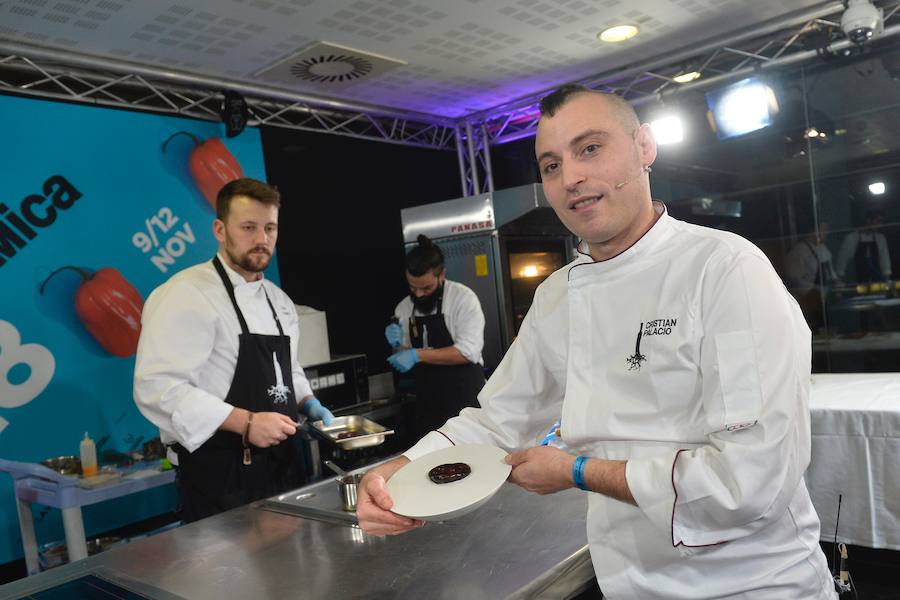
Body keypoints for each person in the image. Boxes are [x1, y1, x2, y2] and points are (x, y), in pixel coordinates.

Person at [358, 85, 837, 599]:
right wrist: (401, 471)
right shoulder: (558, 296)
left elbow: (749, 480)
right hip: (629, 583)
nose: (572, 179)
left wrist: (579, 471)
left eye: (590, 149)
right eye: (551, 165)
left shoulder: (724, 269)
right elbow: (498, 419)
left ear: (645, 147)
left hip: (752, 583)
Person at [134, 177, 334, 523]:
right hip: (221, 478)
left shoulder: (279, 301)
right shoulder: (185, 294)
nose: (261, 239)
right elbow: (157, 388)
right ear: (219, 229)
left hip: (284, 466)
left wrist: (308, 402)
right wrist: (247, 422)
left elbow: (286, 370)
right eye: (248, 227)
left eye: (270, 228)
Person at [385, 234, 486, 439]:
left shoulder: (463, 299)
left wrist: (417, 355)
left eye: (426, 288)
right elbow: (403, 355)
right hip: (428, 401)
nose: (419, 294)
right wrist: (397, 346)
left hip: (465, 399)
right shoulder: (404, 307)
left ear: (442, 275)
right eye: (413, 288)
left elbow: (468, 352)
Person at [784, 223, 841, 331]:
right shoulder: (799, 251)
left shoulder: (823, 248)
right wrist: (813, 291)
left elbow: (830, 270)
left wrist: (836, 282)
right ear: (813, 231)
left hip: (825, 298)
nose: (826, 233)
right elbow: (793, 279)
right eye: (823, 230)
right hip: (809, 302)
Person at [835, 209, 892, 284]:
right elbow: (842, 261)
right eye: (878, 221)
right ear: (868, 220)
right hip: (859, 282)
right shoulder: (852, 238)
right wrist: (838, 280)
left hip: (878, 282)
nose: (880, 225)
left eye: (882, 222)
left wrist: (887, 278)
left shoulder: (880, 238)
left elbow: (885, 260)